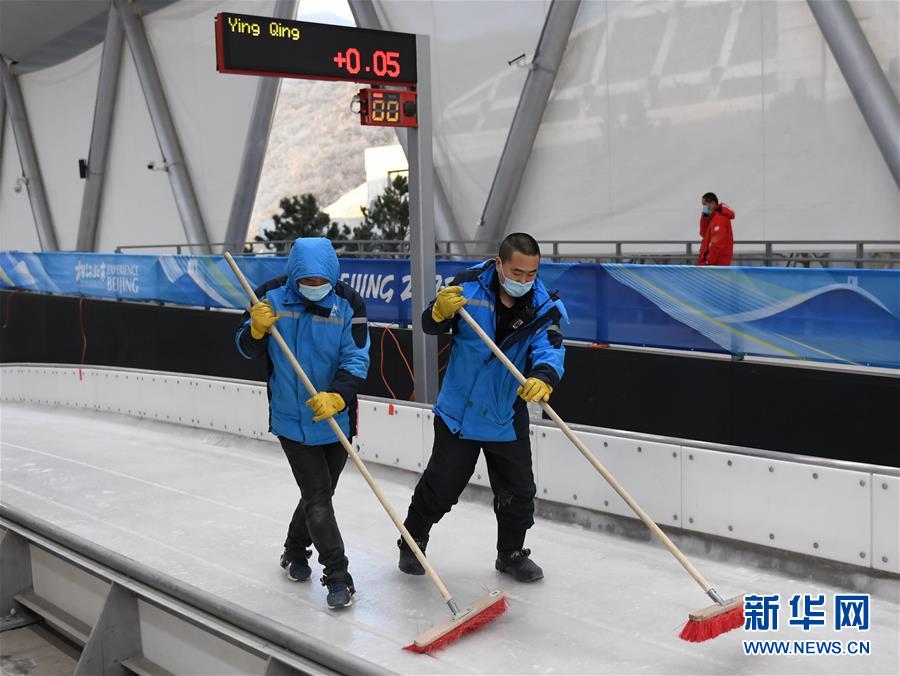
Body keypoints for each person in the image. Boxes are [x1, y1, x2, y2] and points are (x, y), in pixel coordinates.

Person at [397, 233, 567, 582]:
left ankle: (511, 553)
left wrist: (543, 376)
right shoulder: (468, 286)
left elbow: (550, 347)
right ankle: (412, 540)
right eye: (517, 272)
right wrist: (438, 311)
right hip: (459, 411)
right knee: (442, 486)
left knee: (519, 491)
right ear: (499, 264)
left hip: (504, 411)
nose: (524, 280)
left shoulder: (543, 306)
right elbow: (431, 323)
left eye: (531, 274)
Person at [235, 237, 369, 609]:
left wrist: (338, 395)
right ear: (294, 275)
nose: (314, 287)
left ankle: (294, 549)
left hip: (335, 416)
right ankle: (338, 575)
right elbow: (245, 348)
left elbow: (357, 358)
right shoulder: (270, 296)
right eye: (306, 281)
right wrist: (255, 330)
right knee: (318, 497)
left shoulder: (349, 303)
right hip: (291, 419)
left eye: (320, 281)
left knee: (319, 495)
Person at [697, 192, 735, 266]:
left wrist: (708, 262)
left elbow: (717, 244)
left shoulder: (720, 218)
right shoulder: (713, 217)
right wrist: (704, 217)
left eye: (705, 204)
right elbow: (703, 233)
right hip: (713, 263)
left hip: (716, 264)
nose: (704, 208)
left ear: (712, 203)